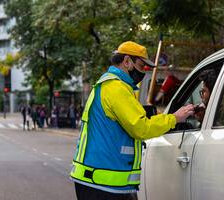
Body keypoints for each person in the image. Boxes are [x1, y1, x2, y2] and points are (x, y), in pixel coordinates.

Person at [70, 41, 194, 200]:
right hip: (103, 183)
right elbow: (141, 128)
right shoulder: (117, 88)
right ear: (127, 61)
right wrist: (174, 118)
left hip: (98, 179)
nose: (143, 71)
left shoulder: (108, 85)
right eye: (142, 66)